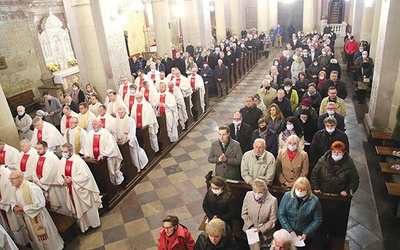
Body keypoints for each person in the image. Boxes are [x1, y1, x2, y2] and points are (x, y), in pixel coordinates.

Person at [10, 170, 64, 250]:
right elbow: (12, 201)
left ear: (21, 178)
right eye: (10, 179)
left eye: (13, 178)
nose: (11, 181)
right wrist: (14, 208)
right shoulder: (14, 189)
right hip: (26, 219)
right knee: (35, 240)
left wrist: (23, 208)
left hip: (38, 218)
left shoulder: (32, 188)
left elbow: (40, 204)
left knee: (45, 239)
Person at [57, 143, 102, 233]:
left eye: (65, 152)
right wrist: (63, 182)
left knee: (87, 207)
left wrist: (72, 180)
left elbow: (85, 176)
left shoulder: (78, 161)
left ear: (71, 151)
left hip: (80, 189)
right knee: (77, 207)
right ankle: (84, 226)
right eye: (62, 151)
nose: (63, 154)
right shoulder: (62, 160)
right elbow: (59, 174)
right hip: (71, 189)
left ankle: (94, 223)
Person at [278, 177, 323, 249]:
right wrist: (290, 230)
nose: (300, 191)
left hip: (304, 236)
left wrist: (306, 232)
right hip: (287, 233)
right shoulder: (287, 196)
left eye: (303, 189)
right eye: (298, 188)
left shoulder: (314, 201)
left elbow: (317, 219)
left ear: (308, 190)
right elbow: (281, 214)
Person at [32, 141, 68, 215]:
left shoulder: (52, 158)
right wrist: (36, 179)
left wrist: (40, 182)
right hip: (42, 185)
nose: (38, 151)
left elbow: (51, 174)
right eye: (37, 149)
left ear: (46, 148)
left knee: (60, 204)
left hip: (53, 186)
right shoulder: (37, 156)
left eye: (40, 149)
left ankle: (66, 217)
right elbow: (33, 169)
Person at [84, 119, 124, 185]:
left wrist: (103, 154)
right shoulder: (90, 133)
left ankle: (113, 185)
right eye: (93, 124)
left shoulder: (106, 134)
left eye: (95, 124)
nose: (93, 126)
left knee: (108, 173)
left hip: (106, 159)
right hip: (94, 159)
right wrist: (86, 154)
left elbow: (111, 146)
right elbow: (87, 145)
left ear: (100, 124)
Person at [241, 179, 278, 250]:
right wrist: (251, 226)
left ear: (265, 190)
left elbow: (273, 220)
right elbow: (244, 213)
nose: (257, 195)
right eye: (255, 192)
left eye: (259, 192)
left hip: (265, 234)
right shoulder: (248, 195)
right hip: (250, 231)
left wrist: (261, 229)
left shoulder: (273, 200)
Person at [0, 165, 29, 247]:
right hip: (3, 205)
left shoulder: (6, 174)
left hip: (9, 205)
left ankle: (23, 244)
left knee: (15, 225)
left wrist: (2, 203)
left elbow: (10, 191)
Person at [115, 106, 148, 171]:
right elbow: (114, 131)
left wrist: (129, 140)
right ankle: (129, 170)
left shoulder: (130, 120)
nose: (120, 114)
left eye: (121, 112)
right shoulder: (116, 121)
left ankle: (137, 168)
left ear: (125, 112)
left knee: (133, 156)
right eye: (119, 113)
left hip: (130, 141)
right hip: (121, 142)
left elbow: (132, 132)